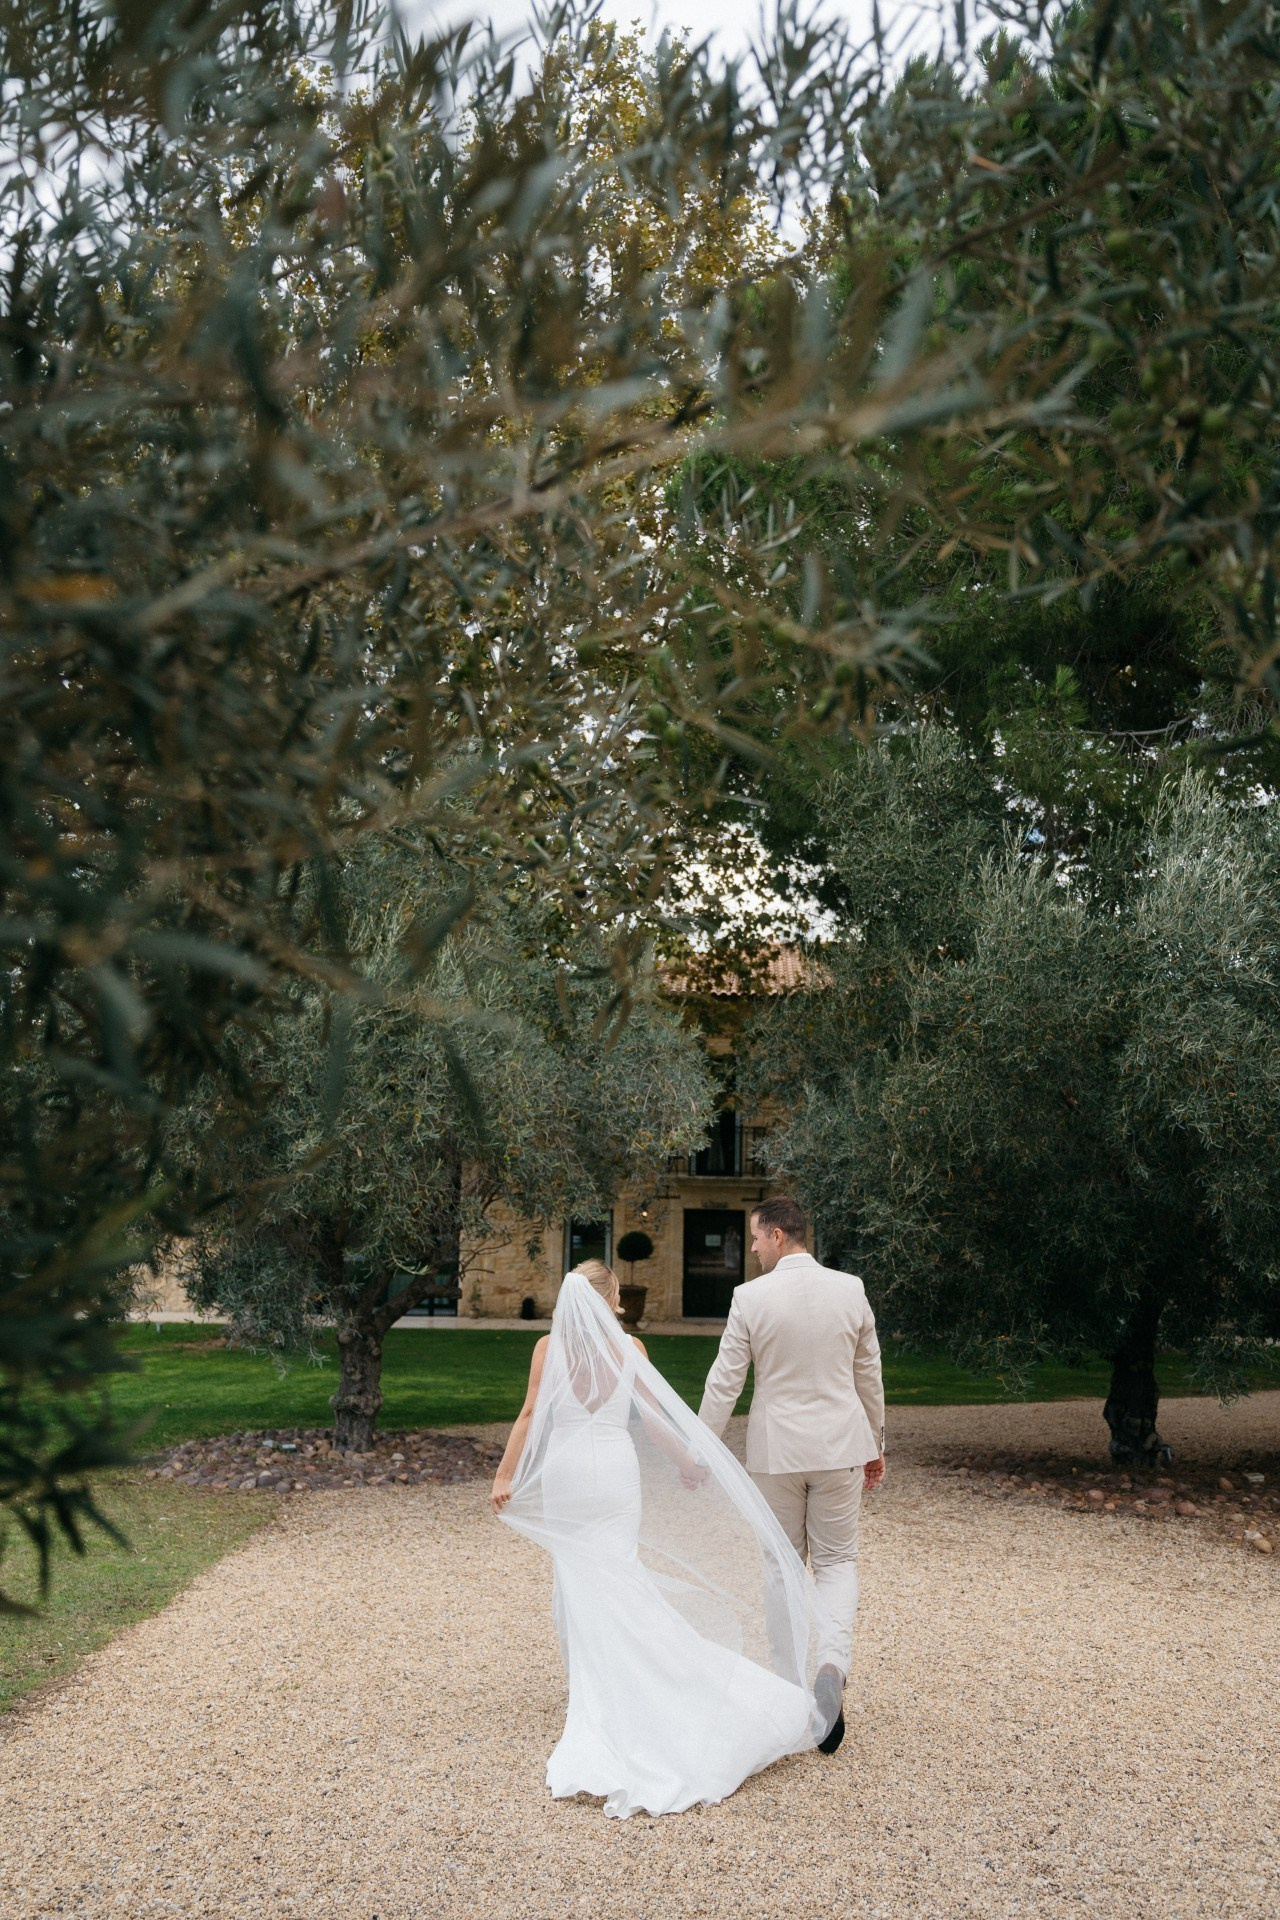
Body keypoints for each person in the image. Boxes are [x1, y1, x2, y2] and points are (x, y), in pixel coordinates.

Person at [492, 1258, 828, 1818]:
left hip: (568, 1472)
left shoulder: (549, 1349)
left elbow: (530, 1415)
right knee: (620, 1572)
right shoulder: (632, 1350)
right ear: (611, 1298)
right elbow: (653, 1421)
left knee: (579, 1579)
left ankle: (599, 1688)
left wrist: (505, 1476)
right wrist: (688, 1465)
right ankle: (638, 1679)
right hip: (616, 1475)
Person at [698, 1196, 885, 1757]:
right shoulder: (850, 1289)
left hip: (776, 1452)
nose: (752, 1248)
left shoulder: (750, 1297)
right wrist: (875, 1442)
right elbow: (868, 1374)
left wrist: (700, 1446)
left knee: (782, 1565)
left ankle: (786, 1683)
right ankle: (832, 1663)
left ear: (778, 1235)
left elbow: (725, 1381)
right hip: (840, 1447)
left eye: (756, 1238)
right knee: (837, 1561)